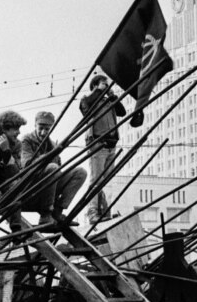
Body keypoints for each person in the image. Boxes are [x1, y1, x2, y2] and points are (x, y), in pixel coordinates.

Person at [19, 111, 86, 226]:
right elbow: (26, 164)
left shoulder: (53, 145)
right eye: (41, 128)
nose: (43, 132)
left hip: (48, 189)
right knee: (52, 168)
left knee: (80, 172)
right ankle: (46, 215)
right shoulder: (27, 140)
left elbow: (59, 170)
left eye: (47, 129)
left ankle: (57, 211)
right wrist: (46, 158)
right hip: (30, 188)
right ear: (35, 125)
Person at [79, 74, 125, 223]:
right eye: (104, 84)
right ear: (95, 86)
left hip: (111, 144)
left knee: (107, 181)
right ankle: (92, 212)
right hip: (98, 144)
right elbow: (85, 109)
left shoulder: (108, 101)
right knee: (96, 181)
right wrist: (98, 92)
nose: (107, 87)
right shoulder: (88, 100)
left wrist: (113, 97)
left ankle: (105, 212)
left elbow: (122, 112)